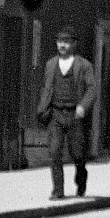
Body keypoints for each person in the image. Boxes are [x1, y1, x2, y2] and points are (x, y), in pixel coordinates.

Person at [36, 25, 96, 200]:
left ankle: (81, 177)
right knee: (54, 152)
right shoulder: (50, 65)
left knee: (77, 153)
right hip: (56, 114)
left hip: (74, 114)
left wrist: (83, 106)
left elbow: (92, 89)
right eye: (60, 41)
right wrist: (43, 107)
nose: (62, 45)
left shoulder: (84, 65)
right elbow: (46, 88)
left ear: (74, 44)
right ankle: (58, 191)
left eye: (66, 42)